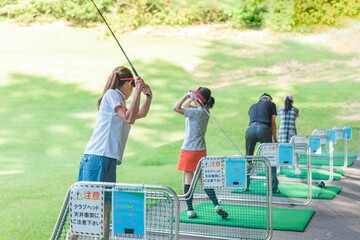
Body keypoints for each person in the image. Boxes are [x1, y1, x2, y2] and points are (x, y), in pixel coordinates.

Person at [67, 66, 152, 239]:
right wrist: (137, 93)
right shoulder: (112, 94)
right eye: (133, 87)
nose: (133, 91)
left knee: (101, 209)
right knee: (92, 209)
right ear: (128, 83)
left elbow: (139, 114)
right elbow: (129, 118)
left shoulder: (119, 100)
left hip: (101, 159)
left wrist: (149, 97)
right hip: (99, 158)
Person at [173, 87, 228, 219]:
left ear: (199, 99)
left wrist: (186, 96)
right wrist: (191, 98)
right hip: (201, 150)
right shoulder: (204, 111)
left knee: (188, 180)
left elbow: (176, 108)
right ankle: (216, 204)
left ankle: (190, 210)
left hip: (188, 150)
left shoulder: (195, 112)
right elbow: (188, 106)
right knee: (204, 181)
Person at [245, 93, 280, 193]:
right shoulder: (271, 104)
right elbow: (273, 121)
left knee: (248, 158)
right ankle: (273, 187)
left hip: (250, 130)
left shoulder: (252, 106)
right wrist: (274, 138)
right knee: (270, 158)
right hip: (264, 129)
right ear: (268, 99)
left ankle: (245, 185)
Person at [277, 95, 299, 175]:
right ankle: (296, 168)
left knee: (281, 150)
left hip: (282, 132)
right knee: (294, 150)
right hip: (292, 132)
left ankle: (279, 168)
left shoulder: (280, 110)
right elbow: (294, 119)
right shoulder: (295, 110)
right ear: (292, 102)